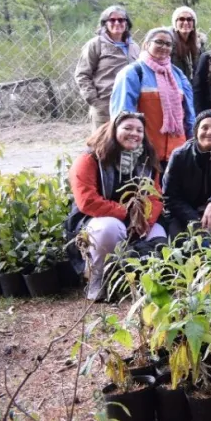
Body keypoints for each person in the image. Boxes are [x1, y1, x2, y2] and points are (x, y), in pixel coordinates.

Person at [67, 112, 165, 300]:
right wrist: (128, 215)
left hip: (137, 220)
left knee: (159, 233)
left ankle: (146, 283)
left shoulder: (147, 160)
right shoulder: (90, 159)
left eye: (139, 130)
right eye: (127, 128)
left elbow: (155, 196)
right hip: (95, 221)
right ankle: (98, 279)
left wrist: (146, 219)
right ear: (113, 131)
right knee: (110, 228)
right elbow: (87, 200)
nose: (134, 133)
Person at [109, 28, 195, 168]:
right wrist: (126, 151)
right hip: (145, 154)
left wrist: (193, 143)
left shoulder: (178, 75)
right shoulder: (133, 73)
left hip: (177, 154)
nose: (164, 47)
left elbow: (189, 114)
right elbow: (121, 116)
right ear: (146, 44)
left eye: (168, 44)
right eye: (159, 42)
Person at [76, 6, 142, 130]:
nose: (117, 23)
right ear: (104, 23)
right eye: (112, 20)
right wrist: (95, 101)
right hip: (105, 105)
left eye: (121, 20)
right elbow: (82, 74)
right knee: (103, 145)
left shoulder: (135, 47)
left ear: (127, 23)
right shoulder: (95, 44)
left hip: (131, 105)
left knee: (127, 145)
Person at [170, 6, 206, 80]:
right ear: (175, 23)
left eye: (189, 19)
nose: (186, 23)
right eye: (181, 19)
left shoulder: (199, 46)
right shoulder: (168, 45)